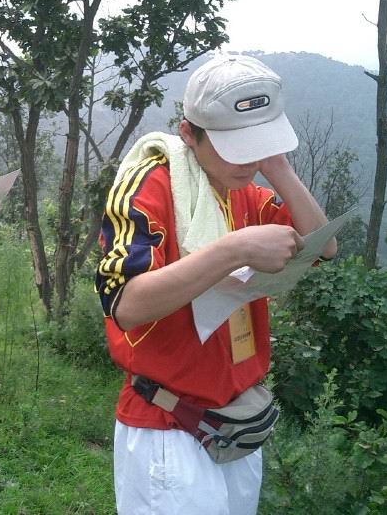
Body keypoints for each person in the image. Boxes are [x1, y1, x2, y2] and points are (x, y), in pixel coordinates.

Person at [95, 54, 337, 515]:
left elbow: (323, 246)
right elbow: (125, 304)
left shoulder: (244, 188)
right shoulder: (152, 186)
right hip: (169, 422)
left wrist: (279, 168)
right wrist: (233, 250)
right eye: (232, 146)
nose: (246, 160)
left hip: (235, 413)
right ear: (189, 133)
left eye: (256, 143)